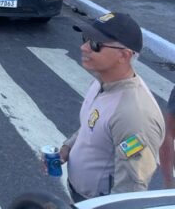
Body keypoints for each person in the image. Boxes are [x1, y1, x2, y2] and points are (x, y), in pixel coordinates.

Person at [60, 12, 164, 202]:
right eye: (85, 39)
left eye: (95, 44)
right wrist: (68, 147)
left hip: (96, 203)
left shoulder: (135, 116)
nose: (83, 47)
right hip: (82, 197)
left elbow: (130, 191)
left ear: (124, 55)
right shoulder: (102, 82)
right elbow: (93, 125)